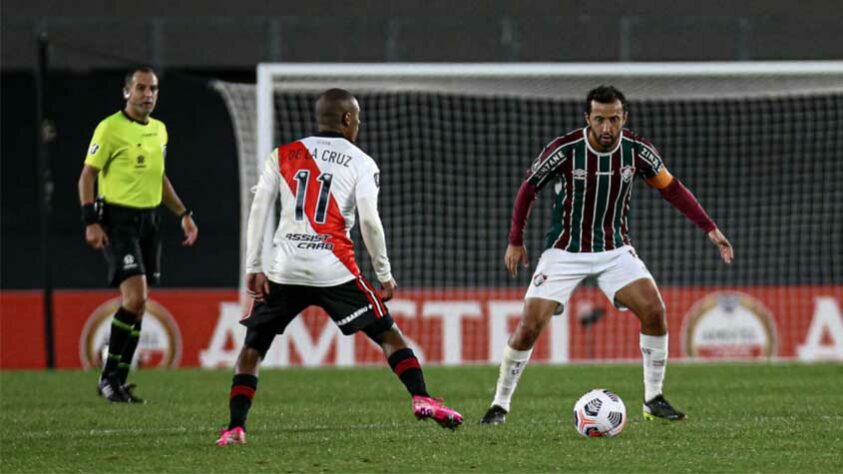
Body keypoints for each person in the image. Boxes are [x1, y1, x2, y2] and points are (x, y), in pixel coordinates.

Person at [215, 88, 463, 446]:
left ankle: (236, 427)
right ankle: (421, 397)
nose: (358, 123)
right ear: (347, 119)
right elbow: (370, 222)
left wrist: (254, 264)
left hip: (285, 268)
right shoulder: (360, 161)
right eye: (357, 117)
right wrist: (383, 273)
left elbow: (259, 209)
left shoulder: (283, 154)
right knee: (388, 334)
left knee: (253, 348)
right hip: (336, 270)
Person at [481, 85, 734, 425]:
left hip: (614, 249)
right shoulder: (565, 150)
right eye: (599, 119)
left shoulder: (637, 151)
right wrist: (515, 240)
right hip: (565, 251)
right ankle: (500, 405)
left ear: (623, 118)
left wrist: (710, 229)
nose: (606, 128)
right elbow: (529, 188)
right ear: (588, 118)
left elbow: (671, 189)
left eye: (613, 119)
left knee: (655, 310)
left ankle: (653, 399)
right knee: (529, 325)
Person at [78, 66, 198, 403]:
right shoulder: (110, 128)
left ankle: (116, 379)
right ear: (126, 92)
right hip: (118, 221)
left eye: (153, 89)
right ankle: (107, 377)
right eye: (141, 88)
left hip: (150, 222)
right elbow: (87, 177)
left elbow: (159, 178)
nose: (148, 94)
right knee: (134, 299)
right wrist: (91, 221)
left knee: (140, 305)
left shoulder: (159, 131)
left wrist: (184, 214)